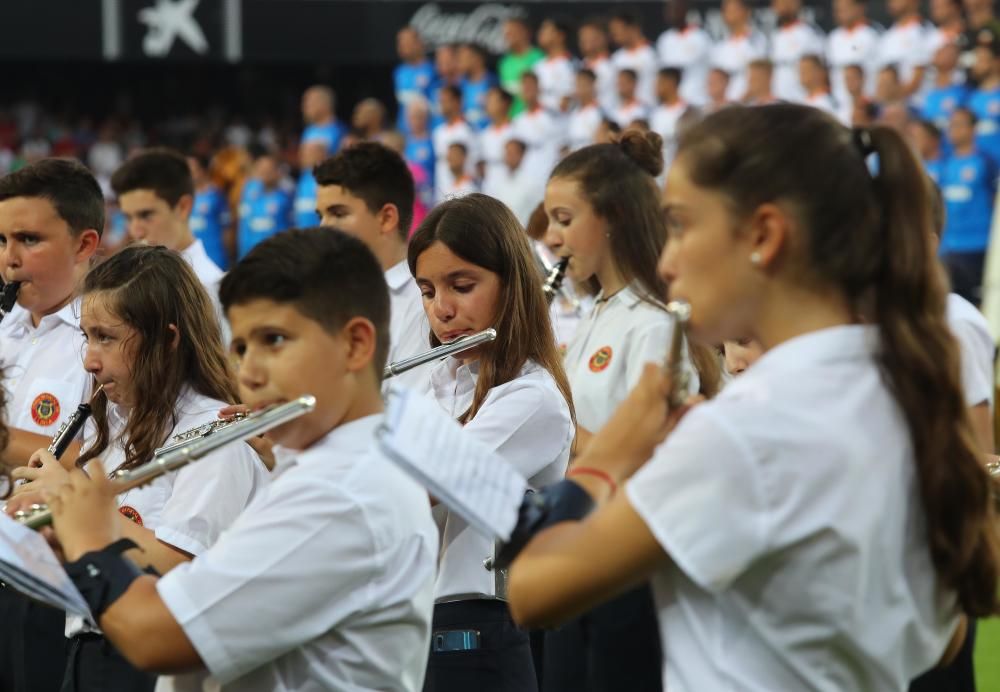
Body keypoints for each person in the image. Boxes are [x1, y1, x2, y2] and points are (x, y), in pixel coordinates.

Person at [507, 103, 1000, 690]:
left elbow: (534, 592)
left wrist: (611, 454)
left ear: (764, 236)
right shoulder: (905, 392)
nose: (666, 257)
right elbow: (945, 642)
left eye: (684, 224)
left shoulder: (749, 428)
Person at [39, 229, 440, 691]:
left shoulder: (340, 493)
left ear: (354, 345)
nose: (248, 373)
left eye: (275, 341)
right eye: (242, 348)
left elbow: (158, 636)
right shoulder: (317, 472)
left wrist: (91, 535)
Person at [9, 245, 268, 692]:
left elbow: (177, 567)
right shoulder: (113, 427)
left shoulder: (214, 437)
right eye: (86, 337)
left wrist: (73, 503)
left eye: (106, 338)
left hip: (152, 664)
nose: (90, 360)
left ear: (168, 340)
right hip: (89, 647)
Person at [540, 129, 714, 692]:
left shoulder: (654, 324)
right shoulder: (593, 314)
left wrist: (553, 427)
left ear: (611, 215)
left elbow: (659, 456)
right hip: (574, 555)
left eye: (564, 219)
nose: (551, 237)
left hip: (625, 571)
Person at [410, 193, 575, 692]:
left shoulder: (532, 397)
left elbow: (421, 486)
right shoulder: (423, 385)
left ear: (512, 287)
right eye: (427, 290)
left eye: (462, 286)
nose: (442, 308)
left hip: (477, 640)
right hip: (412, 632)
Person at [0, 158, 103, 692]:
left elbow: (93, 463)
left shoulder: (105, 337)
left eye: (29, 240)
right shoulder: (8, 328)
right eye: (1, 241)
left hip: (46, 580)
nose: (9, 261)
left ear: (85, 244)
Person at [313, 143, 430, 390]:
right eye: (320, 216)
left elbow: (405, 414)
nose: (324, 227)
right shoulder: (328, 298)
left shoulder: (424, 304)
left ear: (386, 218)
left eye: (338, 213)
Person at [110, 148, 226, 328]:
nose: (135, 230)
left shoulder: (212, 291)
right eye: (128, 217)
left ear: (183, 207)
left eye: (146, 215)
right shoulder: (122, 285)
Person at [940, 107, 996, 304]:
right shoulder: (946, 163)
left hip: (977, 246)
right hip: (949, 247)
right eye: (951, 125)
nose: (953, 130)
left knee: (976, 302)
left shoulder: (986, 162)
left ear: (973, 129)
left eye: (959, 125)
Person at [294, 86, 347, 229]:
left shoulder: (338, 131)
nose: (304, 107)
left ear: (324, 104)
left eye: (308, 103)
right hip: (305, 193)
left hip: (325, 196)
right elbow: (303, 161)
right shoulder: (309, 131)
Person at [237, 151, 293, 259]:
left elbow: (291, 227)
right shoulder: (249, 192)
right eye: (261, 169)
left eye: (268, 170)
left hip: (276, 257)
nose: (264, 173)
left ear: (277, 171)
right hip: (250, 256)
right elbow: (243, 226)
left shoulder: (286, 195)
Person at [826, 0, 881, 109]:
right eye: (837, 9)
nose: (840, 12)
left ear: (860, 7)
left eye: (845, 7)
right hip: (839, 105)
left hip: (867, 105)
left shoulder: (873, 34)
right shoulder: (833, 38)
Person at [656, 0, 712, 107]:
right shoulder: (664, 40)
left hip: (696, 101)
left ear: (685, 9)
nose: (672, 13)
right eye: (669, 9)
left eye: (675, 8)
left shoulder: (701, 37)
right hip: (671, 103)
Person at [711, 0, 769, 101]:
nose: (729, 14)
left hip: (751, 105)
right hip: (726, 108)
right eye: (726, 10)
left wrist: (742, 101)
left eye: (733, 10)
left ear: (746, 12)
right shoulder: (719, 47)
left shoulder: (758, 41)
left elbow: (761, 76)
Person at [878, 0, 934, 103]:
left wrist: (895, 101)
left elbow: (917, 79)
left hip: (918, 105)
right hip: (892, 108)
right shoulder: (887, 37)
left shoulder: (924, 31)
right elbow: (882, 80)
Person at [770, 0, 826, 102]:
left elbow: (819, 69)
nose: (783, 7)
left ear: (796, 4)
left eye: (786, 3)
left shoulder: (808, 33)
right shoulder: (776, 36)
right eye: (778, 3)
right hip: (779, 99)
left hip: (803, 99)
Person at [187, 153, 233, 271]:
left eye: (192, 169)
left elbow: (227, 229)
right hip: (190, 260)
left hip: (214, 258)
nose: (188, 174)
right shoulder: (183, 198)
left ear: (202, 170)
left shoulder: (217, 195)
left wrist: (228, 254)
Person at [609, 11, 659, 107]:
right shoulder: (616, 58)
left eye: (617, 29)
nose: (613, 34)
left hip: (650, 108)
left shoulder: (653, 53)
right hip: (626, 112)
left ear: (632, 28)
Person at [499, 17, 546, 117]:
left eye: (512, 32)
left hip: (534, 117)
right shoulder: (505, 63)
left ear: (525, 32)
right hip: (512, 119)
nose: (508, 36)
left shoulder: (539, 58)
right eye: (506, 33)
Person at [395, 27, 437, 133]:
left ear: (419, 43)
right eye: (399, 43)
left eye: (406, 43)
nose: (401, 47)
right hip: (404, 131)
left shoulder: (434, 69)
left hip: (428, 131)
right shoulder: (399, 72)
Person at [479, 87, 516, 197]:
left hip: (510, 182)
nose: (487, 105)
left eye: (491, 101)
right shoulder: (484, 134)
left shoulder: (515, 129)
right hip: (489, 186)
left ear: (504, 104)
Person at [535, 18, 577, 115]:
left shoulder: (571, 64)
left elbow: (568, 102)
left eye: (546, 29)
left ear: (560, 35)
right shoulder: (537, 67)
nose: (541, 33)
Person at [578, 19, 618, 114]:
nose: (585, 39)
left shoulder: (613, 64)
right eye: (582, 36)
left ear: (605, 37)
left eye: (591, 36)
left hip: (606, 116)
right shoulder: (580, 65)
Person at [458, 43, 497, 131]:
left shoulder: (491, 82)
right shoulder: (461, 84)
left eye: (464, 57)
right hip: (469, 134)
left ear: (477, 58)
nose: (460, 61)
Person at [567, 70, 605, 153]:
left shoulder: (599, 113)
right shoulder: (573, 112)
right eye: (576, 84)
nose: (578, 89)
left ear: (592, 86)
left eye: (582, 85)